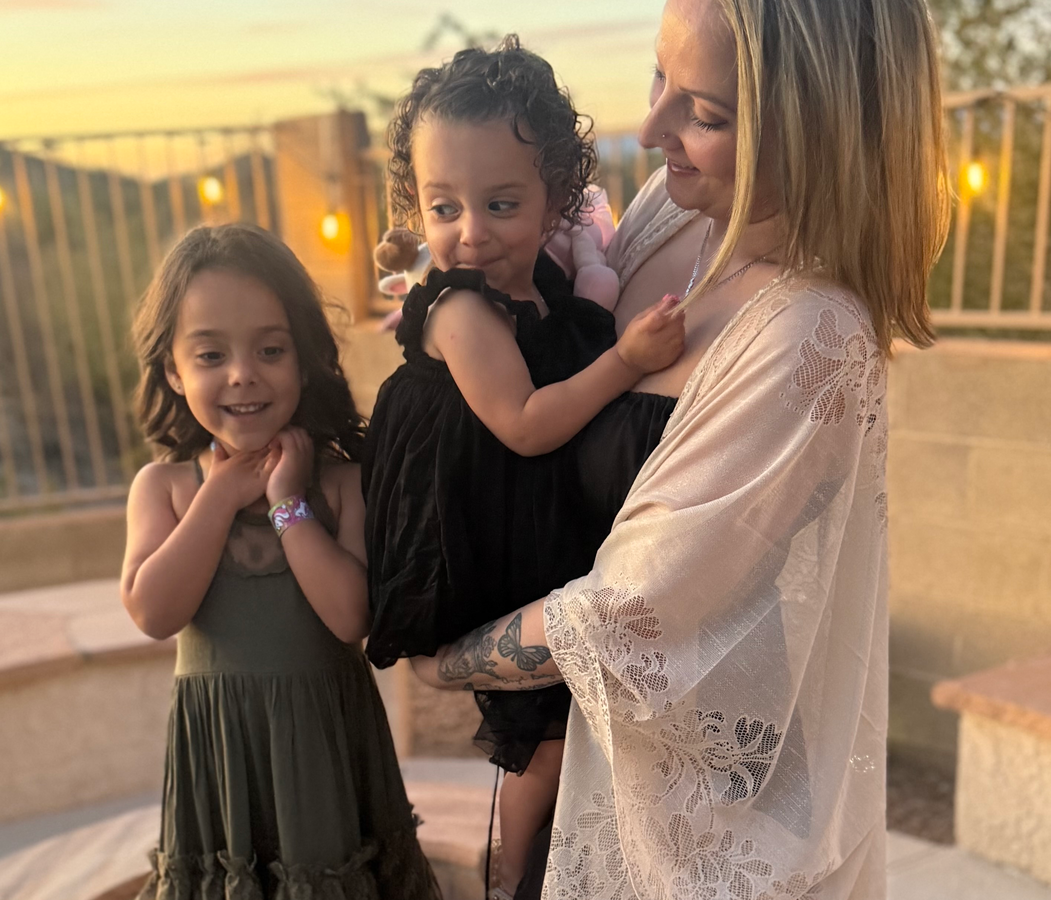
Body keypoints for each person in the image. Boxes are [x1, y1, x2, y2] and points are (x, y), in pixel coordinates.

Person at [413, 0, 950, 897]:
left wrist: (442, 658)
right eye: (660, 75)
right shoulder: (672, 208)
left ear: (815, 133)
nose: (651, 125)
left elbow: (630, 612)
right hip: (581, 745)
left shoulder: (810, 338)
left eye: (704, 113)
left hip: (699, 817)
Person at [362, 36, 687, 899]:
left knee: (566, 723)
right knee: (542, 737)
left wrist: (594, 275)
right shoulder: (461, 309)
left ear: (553, 200)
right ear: (416, 203)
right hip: (476, 535)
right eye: (444, 208)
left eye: (500, 204)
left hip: (527, 517)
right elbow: (527, 423)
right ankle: (507, 874)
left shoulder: (532, 278)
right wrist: (627, 359)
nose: (470, 233)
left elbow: (572, 327)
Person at [120, 223, 441, 899]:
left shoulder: (340, 483)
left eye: (271, 349)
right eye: (211, 355)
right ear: (174, 370)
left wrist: (287, 503)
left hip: (324, 755)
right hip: (223, 762)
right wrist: (218, 498)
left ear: (305, 358)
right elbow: (153, 611)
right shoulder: (165, 488)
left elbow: (350, 617)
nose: (243, 374)